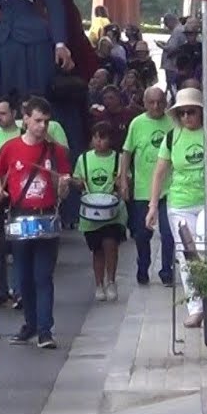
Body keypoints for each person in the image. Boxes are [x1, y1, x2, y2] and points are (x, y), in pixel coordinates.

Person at [146, 88, 207, 328]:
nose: (188, 117)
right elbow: (159, 172)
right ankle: (196, 307)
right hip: (179, 202)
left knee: (203, 243)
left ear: (201, 112)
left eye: (192, 112)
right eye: (183, 112)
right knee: (186, 255)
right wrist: (153, 205)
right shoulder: (172, 137)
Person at [0, 96, 71, 349]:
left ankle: (46, 330)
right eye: (37, 121)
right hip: (19, 215)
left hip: (46, 215)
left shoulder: (56, 151)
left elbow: (63, 193)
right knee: (23, 277)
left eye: (46, 122)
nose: (42, 127)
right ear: (25, 119)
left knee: (43, 277)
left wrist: (64, 187)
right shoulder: (11, 148)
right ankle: (30, 325)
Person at [118, 87, 177, 286]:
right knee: (142, 233)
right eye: (151, 102)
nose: (156, 106)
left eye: (160, 102)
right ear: (144, 103)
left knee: (169, 233)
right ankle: (143, 264)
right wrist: (124, 179)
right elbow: (127, 152)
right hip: (143, 188)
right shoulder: (137, 123)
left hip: (170, 187)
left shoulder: (172, 122)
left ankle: (166, 269)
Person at [72, 121, 128, 302]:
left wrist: (122, 184)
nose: (99, 142)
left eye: (103, 138)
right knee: (97, 250)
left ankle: (111, 281)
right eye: (95, 138)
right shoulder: (84, 159)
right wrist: (74, 182)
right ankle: (98, 284)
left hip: (113, 212)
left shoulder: (119, 159)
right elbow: (78, 180)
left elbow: (125, 184)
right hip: (91, 212)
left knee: (111, 245)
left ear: (110, 140)